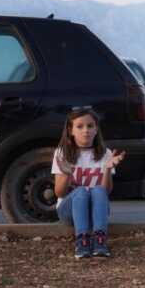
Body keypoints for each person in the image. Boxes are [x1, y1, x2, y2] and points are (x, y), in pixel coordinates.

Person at [52, 107, 125, 259]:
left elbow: (106, 192)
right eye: (80, 126)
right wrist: (66, 172)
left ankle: (100, 241)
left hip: (96, 212)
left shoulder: (106, 153)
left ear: (96, 129)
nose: (86, 130)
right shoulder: (62, 153)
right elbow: (59, 193)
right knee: (80, 191)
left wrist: (107, 169)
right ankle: (82, 241)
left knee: (98, 190)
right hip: (69, 212)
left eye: (90, 126)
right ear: (71, 130)